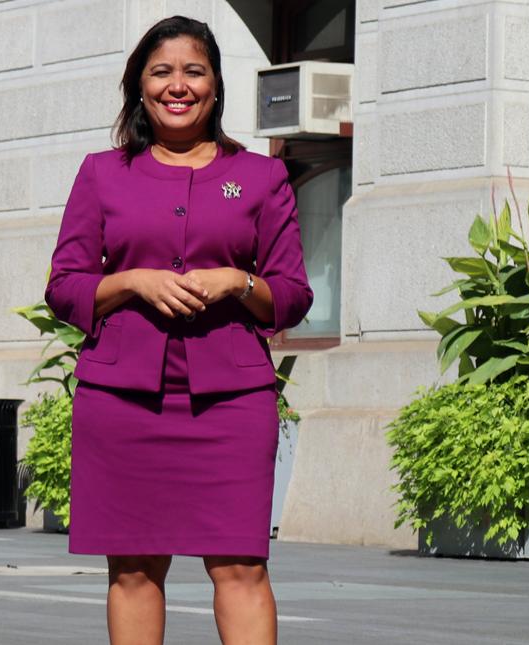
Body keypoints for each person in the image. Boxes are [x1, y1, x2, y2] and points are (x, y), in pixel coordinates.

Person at [45, 16, 312, 645]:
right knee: (134, 569)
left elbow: (293, 294)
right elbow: (64, 286)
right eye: (162, 72)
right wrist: (133, 280)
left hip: (233, 401)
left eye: (194, 71)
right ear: (139, 87)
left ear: (216, 86)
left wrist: (235, 283)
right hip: (121, 400)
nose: (178, 85)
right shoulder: (101, 173)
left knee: (242, 566)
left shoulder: (260, 176)